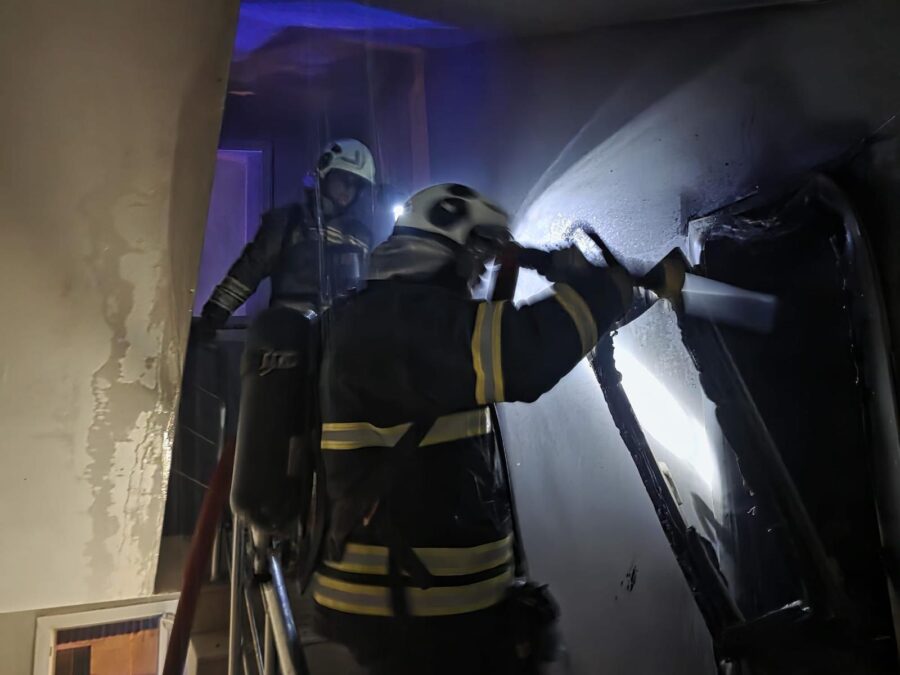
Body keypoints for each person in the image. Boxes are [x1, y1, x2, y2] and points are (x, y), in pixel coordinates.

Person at [311, 183, 639, 674]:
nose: (478, 274)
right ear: (442, 251)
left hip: (426, 598)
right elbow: (522, 354)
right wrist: (604, 293)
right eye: (475, 259)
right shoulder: (399, 318)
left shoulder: (390, 314)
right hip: (409, 605)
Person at [198, 138, 377, 335]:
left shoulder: (360, 236)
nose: (348, 190)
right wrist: (214, 315)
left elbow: (368, 292)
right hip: (287, 337)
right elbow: (249, 270)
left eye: (356, 185)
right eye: (343, 179)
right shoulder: (289, 221)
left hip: (340, 339)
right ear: (324, 174)